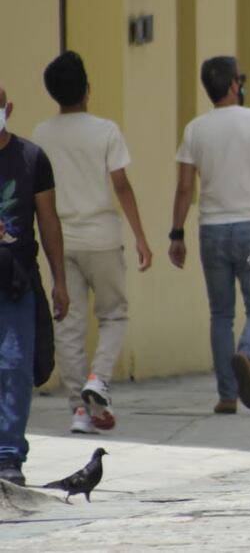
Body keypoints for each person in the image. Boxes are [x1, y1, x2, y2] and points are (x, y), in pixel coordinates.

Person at [32, 52, 152, 434]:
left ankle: (80, 411)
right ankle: (98, 380)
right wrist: (140, 237)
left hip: (60, 241)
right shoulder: (105, 131)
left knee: (69, 323)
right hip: (102, 239)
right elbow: (122, 187)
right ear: (87, 88)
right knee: (114, 314)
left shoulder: (40, 134)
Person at [169, 56, 250, 414]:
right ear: (235, 84)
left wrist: (176, 234)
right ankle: (247, 354)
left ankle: (226, 396)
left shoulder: (195, 129)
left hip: (212, 231)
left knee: (221, 315)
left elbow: (185, 188)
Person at [0, 83, 69, 486]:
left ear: (8, 109)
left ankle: (9, 453)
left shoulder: (31, 158)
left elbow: (48, 221)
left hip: (17, 278)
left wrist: (60, 280)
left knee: (14, 364)